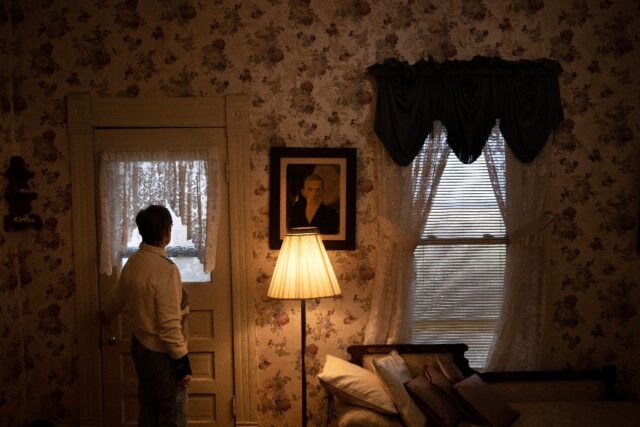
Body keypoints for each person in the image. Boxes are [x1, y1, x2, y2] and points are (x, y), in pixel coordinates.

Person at [101, 205, 191, 427]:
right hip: (161, 352)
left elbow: (117, 297)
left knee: (148, 407)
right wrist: (182, 362)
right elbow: (169, 325)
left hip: (139, 347)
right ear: (166, 232)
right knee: (168, 413)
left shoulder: (134, 262)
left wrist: (105, 315)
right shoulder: (166, 270)